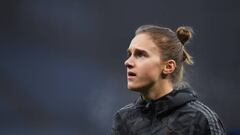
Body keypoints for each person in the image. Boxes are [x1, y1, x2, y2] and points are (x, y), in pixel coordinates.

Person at [111, 25, 225, 135]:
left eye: (140, 54)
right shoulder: (123, 119)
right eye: (129, 54)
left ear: (168, 67)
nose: (127, 62)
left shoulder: (201, 120)